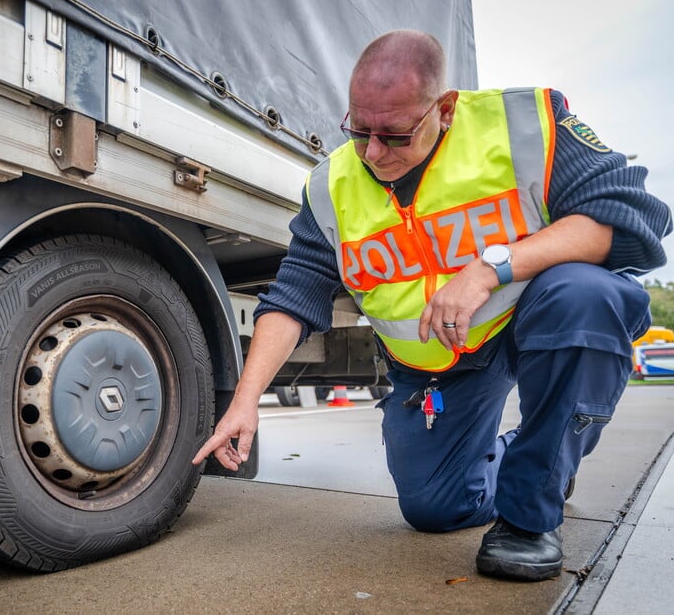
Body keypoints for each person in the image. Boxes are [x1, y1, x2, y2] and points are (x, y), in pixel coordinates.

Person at [192, 29, 672, 581]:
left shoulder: (524, 126)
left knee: (585, 295)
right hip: (440, 366)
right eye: (358, 130)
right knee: (435, 509)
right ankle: (531, 454)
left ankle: (530, 514)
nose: (373, 153)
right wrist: (245, 402)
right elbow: (295, 292)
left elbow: (631, 218)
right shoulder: (335, 184)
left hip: (531, 317)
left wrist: (489, 269)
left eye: (395, 136)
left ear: (444, 110)